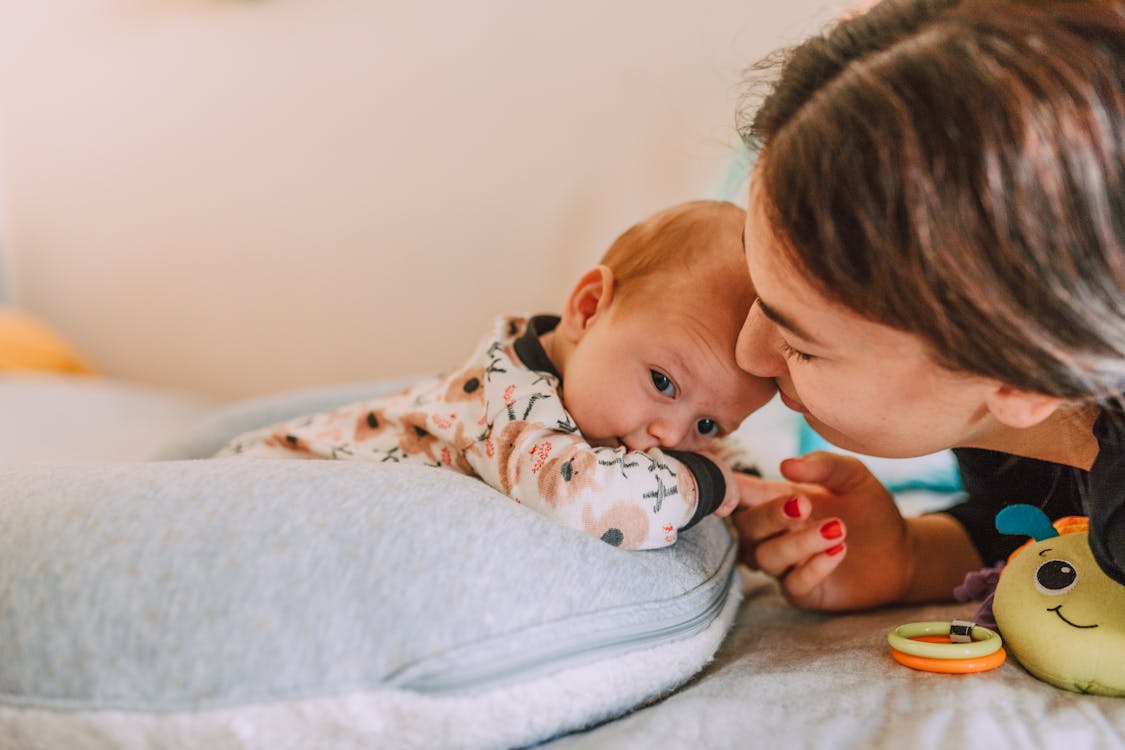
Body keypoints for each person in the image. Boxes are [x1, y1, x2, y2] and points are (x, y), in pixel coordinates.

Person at [729, 0, 1124, 611]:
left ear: (1023, 374)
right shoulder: (1029, 429)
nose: (747, 354)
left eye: (802, 345)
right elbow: (1038, 522)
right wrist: (912, 555)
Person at [218, 200, 777, 550]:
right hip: (265, 485)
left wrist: (761, 496)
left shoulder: (610, 395)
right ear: (587, 309)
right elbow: (586, 498)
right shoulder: (510, 402)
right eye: (662, 383)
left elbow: (707, 457)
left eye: (708, 424)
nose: (669, 438)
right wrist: (713, 487)